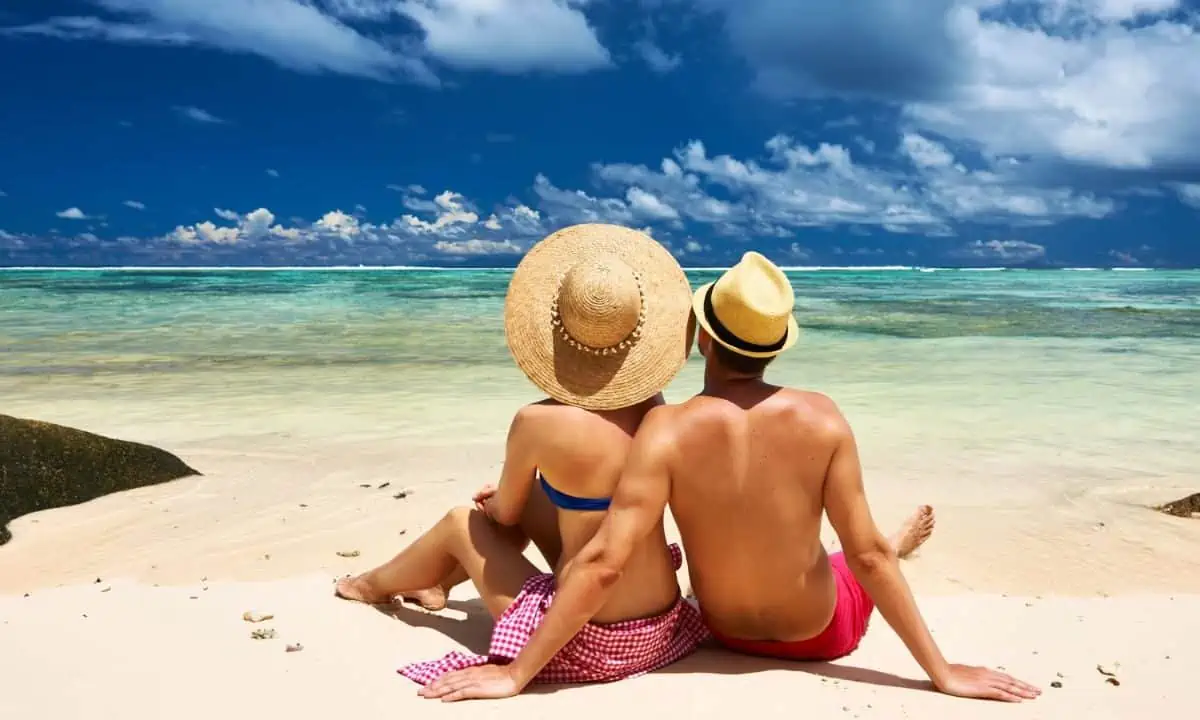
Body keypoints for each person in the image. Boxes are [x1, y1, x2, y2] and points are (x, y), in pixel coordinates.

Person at [418, 251, 1043, 704]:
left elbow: (607, 559)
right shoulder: (822, 418)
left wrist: (516, 673)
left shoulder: (666, 429)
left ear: (701, 341)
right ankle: (904, 541)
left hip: (718, 630)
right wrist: (942, 673)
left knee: (832, 553)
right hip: (822, 635)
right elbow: (870, 555)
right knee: (855, 556)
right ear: (776, 347)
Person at [334, 223, 708, 690]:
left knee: (460, 522)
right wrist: (527, 497)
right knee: (541, 498)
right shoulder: (654, 405)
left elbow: (505, 516)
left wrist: (497, 505)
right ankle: (435, 585)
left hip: (591, 638)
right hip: (663, 626)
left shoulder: (538, 422)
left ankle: (372, 585)